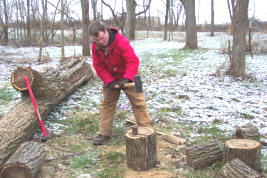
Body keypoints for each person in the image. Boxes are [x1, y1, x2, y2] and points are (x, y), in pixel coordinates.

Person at [89, 21, 152, 145]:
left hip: (133, 75)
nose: (101, 41)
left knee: (139, 103)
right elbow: (99, 66)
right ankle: (104, 133)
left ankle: (147, 130)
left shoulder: (121, 41)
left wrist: (128, 78)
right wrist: (109, 81)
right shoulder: (95, 47)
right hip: (111, 77)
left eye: (103, 38)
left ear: (106, 31)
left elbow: (133, 61)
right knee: (106, 104)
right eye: (98, 40)